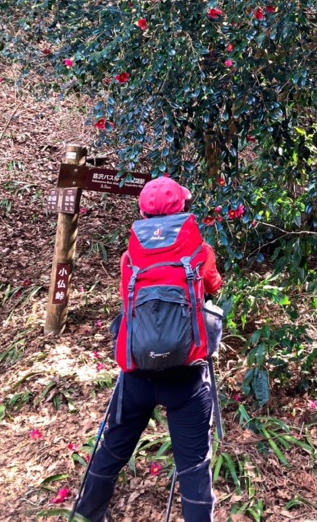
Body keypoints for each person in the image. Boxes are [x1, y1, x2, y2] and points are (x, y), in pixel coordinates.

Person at [74, 176, 223, 522]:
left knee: (112, 449)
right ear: (183, 207)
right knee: (194, 468)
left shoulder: (131, 258)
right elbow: (213, 286)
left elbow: (128, 301)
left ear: (142, 211)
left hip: (137, 372)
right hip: (186, 377)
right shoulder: (200, 252)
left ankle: (86, 515)